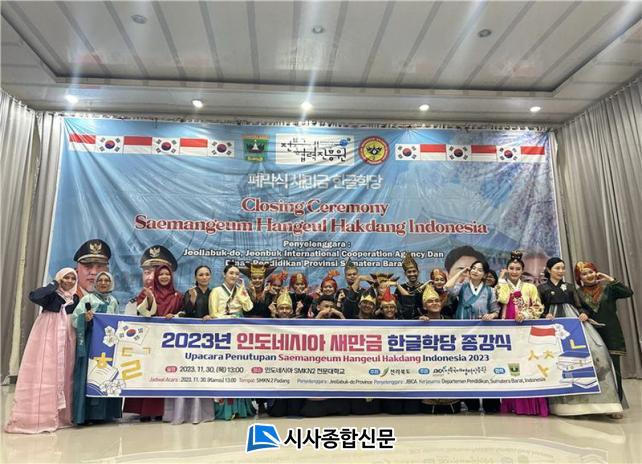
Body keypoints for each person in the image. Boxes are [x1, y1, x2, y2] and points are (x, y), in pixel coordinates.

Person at [538, 257, 623, 418]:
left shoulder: (570, 287)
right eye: (557, 268)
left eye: (563, 268)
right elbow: (538, 307)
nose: (561, 271)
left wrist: (584, 313)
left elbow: (580, 306)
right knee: (559, 362)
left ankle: (602, 403)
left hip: (573, 324)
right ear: (549, 270)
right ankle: (565, 406)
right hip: (552, 325)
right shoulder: (541, 288)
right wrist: (544, 315)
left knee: (592, 356)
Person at [5, 269, 79, 434]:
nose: (69, 281)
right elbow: (34, 296)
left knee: (66, 372)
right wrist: (54, 284)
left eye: (73, 278)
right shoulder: (51, 295)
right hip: (48, 334)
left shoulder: (75, 299)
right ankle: (39, 417)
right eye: (66, 277)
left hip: (67, 336)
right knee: (45, 372)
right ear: (59, 278)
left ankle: (61, 416)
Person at [124, 265, 182, 421]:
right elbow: (142, 312)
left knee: (163, 373)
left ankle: (160, 411)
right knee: (147, 372)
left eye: (167, 274)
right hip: (149, 340)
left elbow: (184, 313)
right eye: (161, 274)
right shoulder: (146, 293)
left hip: (169, 342)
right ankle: (143, 411)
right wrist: (150, 299)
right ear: (156, 277)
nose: (164, 277)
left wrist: (175, 316)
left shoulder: (178, 295)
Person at [574, 261, 633, 409]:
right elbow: (580, 309)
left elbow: (628, 292)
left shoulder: (608, 288)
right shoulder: (577, 293)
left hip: (612, 333)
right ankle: (600, 405)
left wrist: (609, 279)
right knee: (596, 370)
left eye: (591, 272)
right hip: (592, 335)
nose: (589, 275)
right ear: (579, 277)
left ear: (596, 272)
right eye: (584, 274)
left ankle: (617, 404)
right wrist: (584, 314)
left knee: (614, 370)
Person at [496, 251, 548, 417]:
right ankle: (512, 404)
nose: (514, 271)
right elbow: (502, 300)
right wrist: (501, 281)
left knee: (529, 366)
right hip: (507, 331)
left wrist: (525, 314)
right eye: (511, 268)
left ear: (522, 271)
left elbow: (538, 307)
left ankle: (531, 405)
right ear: (507, 269)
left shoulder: (530, 287)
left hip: (526, 330)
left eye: (517, 269)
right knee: (511, 367)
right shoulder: (502, 286)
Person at [445, 260, 500, 413]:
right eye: (473, 268)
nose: (475, 271)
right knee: (466, 367)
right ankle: (472, 404)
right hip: (464, 335)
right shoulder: (462, 287)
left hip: (482, 336)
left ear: (485, 274)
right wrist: (460, 273)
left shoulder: (490, 291)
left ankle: (490, 404)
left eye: (479, 270)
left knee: (486, 367)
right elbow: (447, 287)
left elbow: (495, 311)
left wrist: (491, 315)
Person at [164, 265, 215, 425]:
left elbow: (220, 312)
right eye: (201, 275)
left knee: (205, 373)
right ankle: (185, 412)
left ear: (210, 277)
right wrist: (191, 302)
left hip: (211, 340)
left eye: (206, 274)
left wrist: (212, 317)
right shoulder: (190, 292)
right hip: (192, 340)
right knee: (191, 372)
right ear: (196, 277)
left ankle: (204, 412)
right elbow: (185, 313)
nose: (204, 277)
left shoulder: (214, 293)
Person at [72, 272, 122, 425]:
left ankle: (106, 414)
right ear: (96, 283)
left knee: (106, 375)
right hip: (91, 343)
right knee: (89, 375)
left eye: (107, 280)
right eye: (100, 280)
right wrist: (85, 318)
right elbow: (75, 319)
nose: (103, 283)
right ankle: (86, 415)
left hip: (107, 346)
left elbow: (117, 321)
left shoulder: (113, 301)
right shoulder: (87, 299)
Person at [208, 262, 255, 420]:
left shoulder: (240, 290)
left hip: (239, 333)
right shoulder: (216, 291)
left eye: (236, 274)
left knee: (239, 367)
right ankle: (224, 409)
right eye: (231, 273)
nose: (234, 276)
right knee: (224, 368)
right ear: (224, 274)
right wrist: (230, 317)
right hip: (222, 333)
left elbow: (248, 308)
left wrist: (243, 292)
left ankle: (241, 408)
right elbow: (213, 313)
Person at [416, 284, 461, 414]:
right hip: (426, 370)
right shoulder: (417, 323)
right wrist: (417, 324)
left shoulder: (452, 322)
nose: (435, 303)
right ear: (424, 306)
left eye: (437, 300)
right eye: (430, 301)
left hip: (448, 369)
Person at [266, 290, 305, 417]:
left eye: (287, 308)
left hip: (295, 372)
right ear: (277, 310)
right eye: (281, 308)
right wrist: (273, 316)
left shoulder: (300, 325)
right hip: (277, 372)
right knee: (277, 412)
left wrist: (298, 314)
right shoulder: (268, 325)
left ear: (291, 310)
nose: (284, 311)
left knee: (295, 411)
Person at [395, 252, 423, 319]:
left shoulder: (425, 287)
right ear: (405, 274)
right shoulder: (400, 288)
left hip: (423, 319)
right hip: (405, 320)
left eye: (414, 271)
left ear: (418, 272)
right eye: (409, 272)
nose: (412, 274)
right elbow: (397, 307)